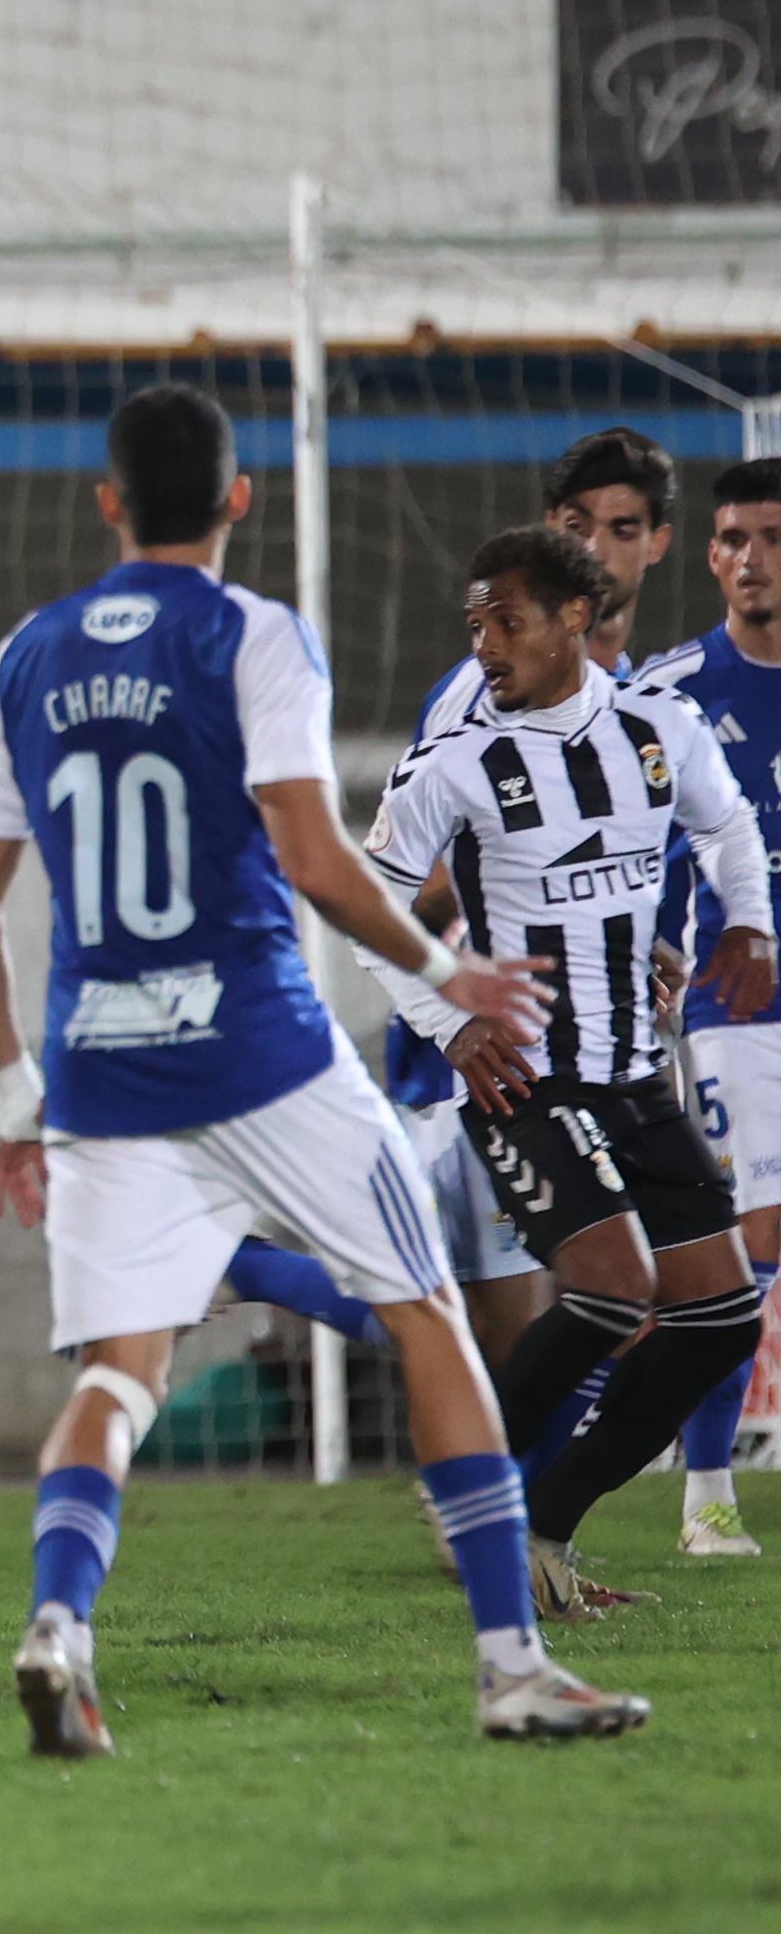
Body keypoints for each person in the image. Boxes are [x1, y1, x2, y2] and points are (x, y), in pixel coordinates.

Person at [0, 385, 642, 1753]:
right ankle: (510, 1663)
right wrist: (451, 976)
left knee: (117, 1377)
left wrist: (12, 1101)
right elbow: (318, 861)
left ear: (107, 502)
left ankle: (58, 1625)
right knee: (426, 1313)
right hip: (263, 1052)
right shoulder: (257, 635)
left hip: (100, 1075)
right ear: (238, 499)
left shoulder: (27, 654)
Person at [225, 427, 688, 1496]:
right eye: (576, 528)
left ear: (655, 546)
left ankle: (518, 1541)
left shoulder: (628, 705)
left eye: (621, 531)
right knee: (534, 1317)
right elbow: (413, 885)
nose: (600, 551)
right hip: (484, 1044)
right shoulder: (483, 692)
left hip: (577, 1048)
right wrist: (474, 983)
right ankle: (508, 1545)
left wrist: (629, 936)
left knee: (566, 1314)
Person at [360, 521, 775, 1619]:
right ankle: (470, 1493)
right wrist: (444, 1020)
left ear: (575, 621)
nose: (486, 643)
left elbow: (729, 825)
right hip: (522, 1081)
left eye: (508, 620)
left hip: (637, 1073)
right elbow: (364, 911)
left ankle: (544, 1525)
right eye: (475, 622)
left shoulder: (657, 727)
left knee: (724, 1313)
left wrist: (751, 924)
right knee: (613, 1286)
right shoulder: (457, 758)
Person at [640, 460, 781, 1556]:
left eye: (771, 538)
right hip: (739, 1007)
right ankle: (706, 1497)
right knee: (752, 1238)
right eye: (732, 540)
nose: (750, 561)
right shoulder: (675, 687)